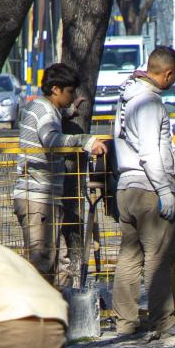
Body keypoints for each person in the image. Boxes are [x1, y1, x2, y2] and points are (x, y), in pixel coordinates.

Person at [111, 46, 175, 336]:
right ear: (167, 74)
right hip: (149, 189)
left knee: (129, 257)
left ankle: (125, 323)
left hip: (126, 188)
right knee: (158, 256)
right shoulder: (150, 103)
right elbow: (150, 154)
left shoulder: (126, 98)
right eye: (174, 76)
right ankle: (163, 322)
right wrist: (165, 190)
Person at [16, 63, 108, 284]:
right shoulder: (43, 109)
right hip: (37, 197)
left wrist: (68, 112)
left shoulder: (43, 108)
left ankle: (58, 312)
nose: (72, 95)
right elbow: (51, 139)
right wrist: (86, 141)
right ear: (55, 89)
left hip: (44, 196)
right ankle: (40, 314)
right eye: (69, 92)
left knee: (59, 260)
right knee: (43, 263)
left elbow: (51, 120)